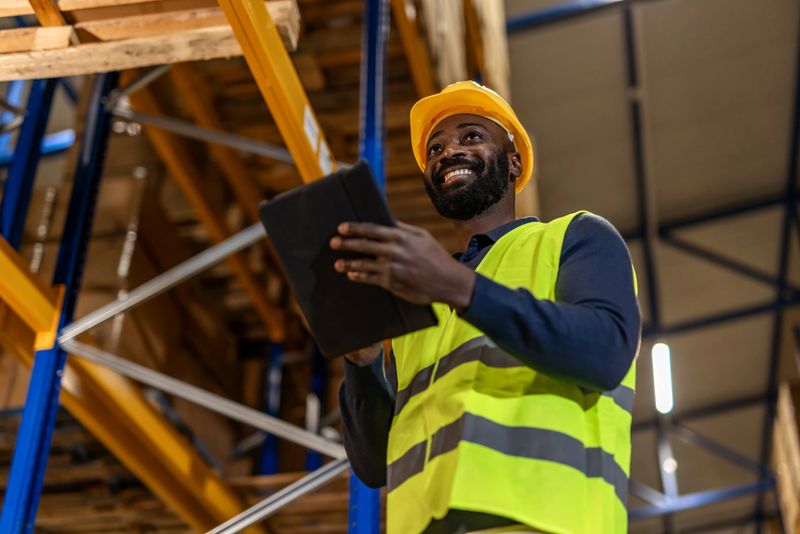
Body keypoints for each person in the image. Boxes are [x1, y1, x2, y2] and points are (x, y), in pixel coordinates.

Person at [331, 81, 640, 534]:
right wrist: (362, 361)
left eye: (471, 136)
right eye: (435, 148)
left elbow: (604, 351)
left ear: (513, 161)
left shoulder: (574, 238)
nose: (448, 151)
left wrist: (455, 284)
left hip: (546, 519)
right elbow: (375, 464)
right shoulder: (416, 310)